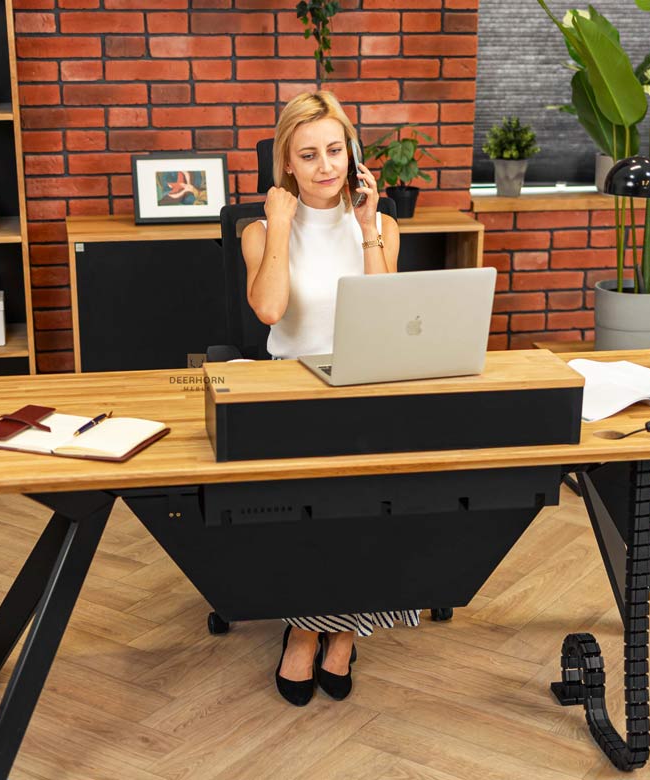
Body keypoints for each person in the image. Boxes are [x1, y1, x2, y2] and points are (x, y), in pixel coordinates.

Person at [240, 90, 410, 707]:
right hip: (294, 394)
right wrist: (282, 223)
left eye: (335, 150)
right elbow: (270, 309)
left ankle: (326, 635)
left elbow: (391, 321)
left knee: (387, 505)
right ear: (287, 164)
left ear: (353, 155)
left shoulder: (382, 226)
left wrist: (366, 230)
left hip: (367, 390)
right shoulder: (261, 230)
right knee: (316, 512)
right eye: (308, 155)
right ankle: (317, 631)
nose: (325, 166)